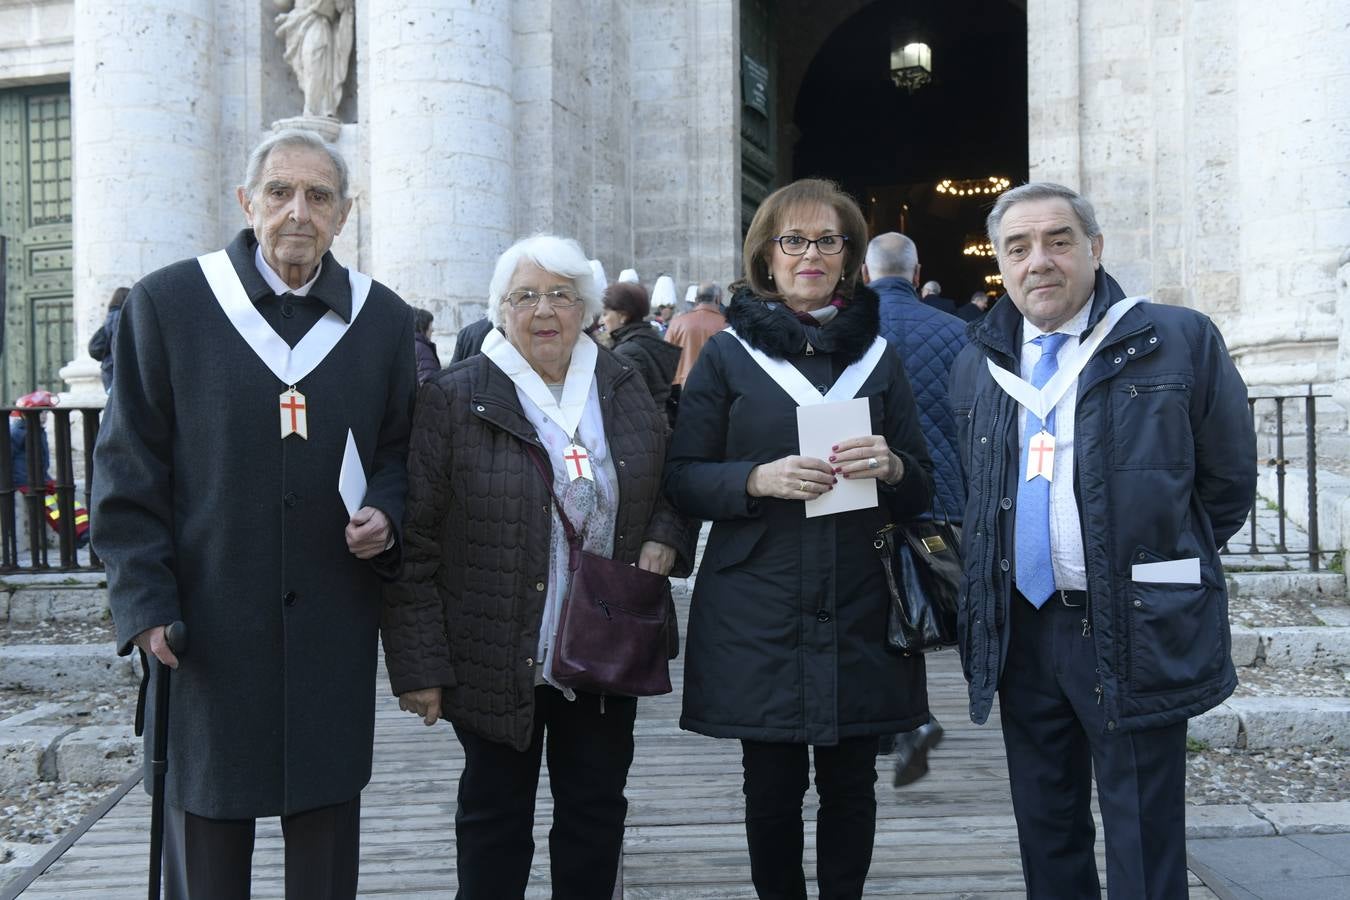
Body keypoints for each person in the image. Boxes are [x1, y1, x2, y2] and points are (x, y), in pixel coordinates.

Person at [92, 128, 416, 899]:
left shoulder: (383, 321)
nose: (297, 211)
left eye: (319, 195)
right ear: (248, 202)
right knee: (205, 843)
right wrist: (144, 604)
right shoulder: (170, 304)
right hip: (201, 631)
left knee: (325, 847)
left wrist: (387, 512)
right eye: (280, 192)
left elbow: (402, 452)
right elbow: (127, 468)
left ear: (344, 214)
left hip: (332, 624)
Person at [950, 182, 1256, 899]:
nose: (1039, 262)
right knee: (1046, 828)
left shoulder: (1176, 338)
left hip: (1135, 622)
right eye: (1018, 248)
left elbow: (1226, 485)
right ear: (1000, 262)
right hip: (1022, 631)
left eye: (1058, 240)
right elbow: (973, 486)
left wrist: (1158, 563)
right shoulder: (979, 361)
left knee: (1144, 833)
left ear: (1094, 248)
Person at [382, 234, 693, 898]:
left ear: (586, 308)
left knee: (595, 811)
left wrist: (666, 538)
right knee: (495, 818)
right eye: (525, 296)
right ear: (501, 310)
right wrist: (420, 666)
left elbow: (672, 481)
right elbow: (419, 541)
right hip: (492, 646)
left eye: (560, 294)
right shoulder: (456, 397)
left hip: (607, 642)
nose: (544, 310)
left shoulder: (624, 384)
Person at [664, 178, 935, 898]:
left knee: (853, 782)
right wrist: (755, 480)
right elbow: (683, 476)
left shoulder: (879, 358)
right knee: (771, 787)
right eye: (793, 240)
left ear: (848, 257)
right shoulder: (726, 357)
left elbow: (925, 485)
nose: (809, 254)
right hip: (761, 602)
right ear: (767, 255)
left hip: (860, 599)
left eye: (827, 240)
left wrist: (894, 464)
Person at [864, 231, 968, 785]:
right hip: (941, 495)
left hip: (867, 496)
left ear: (863, 272)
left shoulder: (848, 330)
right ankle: (906, 722)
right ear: (916, 269)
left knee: (882, 612)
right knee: (916, 607)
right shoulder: (957, 331)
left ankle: (907, 722)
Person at [9, 390, 90, 546]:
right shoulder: (17, 432)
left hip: (42, 478)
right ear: (25, 414)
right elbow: (5, 457)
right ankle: (72, 536)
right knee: (52, 508)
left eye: (45, 412)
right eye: (41, 412)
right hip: (26, 481)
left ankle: (84, 530)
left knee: (68, 497)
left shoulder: (39, 430)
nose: (44, 416)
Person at [601, 281, 681, 415]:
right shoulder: (647, 337)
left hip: (640, 428)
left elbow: (625, 404)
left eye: (605, 314)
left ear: (622, 316)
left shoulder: (627, 351)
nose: (602, 320)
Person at [274, 0, 355, 117]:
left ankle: (316, 108)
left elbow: (341, 6)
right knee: (305, 68)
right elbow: (281, 3)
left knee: (313, 60)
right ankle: (314, 107)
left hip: (318, 21)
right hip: (298, 22)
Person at [665, 281, 726, 388]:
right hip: (716, 389)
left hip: (682, 386)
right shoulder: (726, 325)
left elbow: (665, 358)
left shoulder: (677, 323)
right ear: (717, 299)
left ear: (696, 300)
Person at [86, 286, 129, 392]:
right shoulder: (119, 316)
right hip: (115, 371)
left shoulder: (110, 316)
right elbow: (116, 344)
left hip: (108, 370)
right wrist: (122, 369)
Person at [413, 307, 441, 383]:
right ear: (423, 327)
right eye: (430, 325)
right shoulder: (422, 349)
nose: (432, 329)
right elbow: (427, 383)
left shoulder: (413, 345)